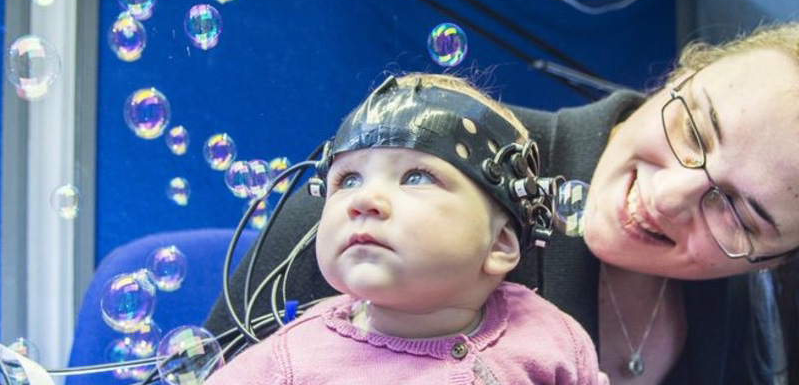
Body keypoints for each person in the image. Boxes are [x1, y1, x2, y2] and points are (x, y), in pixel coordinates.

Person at [205, 22, 799, 385]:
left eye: (738, 213)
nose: (665, 197)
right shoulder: (414, 185)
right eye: (691, 126)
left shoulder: (734, 323)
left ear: (774, 260)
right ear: (679, 73)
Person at [204, 74, 606, 384]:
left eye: (415, 178)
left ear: (499, 243)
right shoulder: (288, 360)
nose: (364, 200)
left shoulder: (552, 337)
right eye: (347, 180)